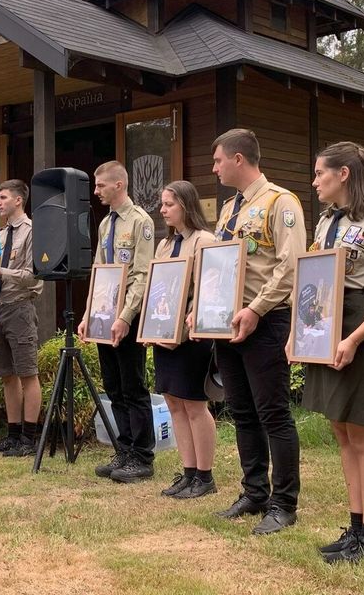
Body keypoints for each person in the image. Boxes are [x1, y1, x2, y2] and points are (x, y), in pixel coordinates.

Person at [301, 141, 364, 563]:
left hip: (361, 329)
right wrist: (302, 332)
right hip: (327, 324)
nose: (315, 181)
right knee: (341, 430)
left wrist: (354, 338)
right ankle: (356, 528)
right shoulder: (326, 221)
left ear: (344, 174)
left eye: (321, 173)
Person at [210, 128, 306, 535]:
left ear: (238, 159)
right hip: (228, 323)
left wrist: (256, 309)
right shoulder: (229, 209)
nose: (213, 168)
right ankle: (254, 491)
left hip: (265, 320)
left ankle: (284, 503)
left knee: (273, 413)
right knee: (242, 411)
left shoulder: (280, 203)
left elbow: (291, 265)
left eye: (217, 160)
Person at [77, 161, 156, 483]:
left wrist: (125, 317)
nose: (96, 192)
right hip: (104, 316)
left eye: (100, 186)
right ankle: (123, 451)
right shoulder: (106, 225)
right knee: (113, 386)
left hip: (128, 318)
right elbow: (100, 274)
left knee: (133, 386)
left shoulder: (140, 222)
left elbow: (142, 274)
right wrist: (88, 316)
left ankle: (142, 455)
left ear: (118, 185)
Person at [151, 181, 216, 498]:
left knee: (194, 405)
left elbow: (210, 289)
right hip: (164, 337)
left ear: (186, 206)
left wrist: (186, 327)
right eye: (162, 204)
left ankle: (205, 477)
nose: (163, 210)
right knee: (173, 403)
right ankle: (188, 472)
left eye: (169, 205)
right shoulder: (165, 246)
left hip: (191, 336)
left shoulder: (205, 240)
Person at [0, 180, 44, 457]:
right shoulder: (0, 236)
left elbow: (32, 275)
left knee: (27, 373)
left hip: (20, 308)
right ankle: (12, 434)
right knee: (7, 375)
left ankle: (29, 436)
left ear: (18, 201)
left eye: (3, 198)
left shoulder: (32, 232)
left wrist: (1, 272)